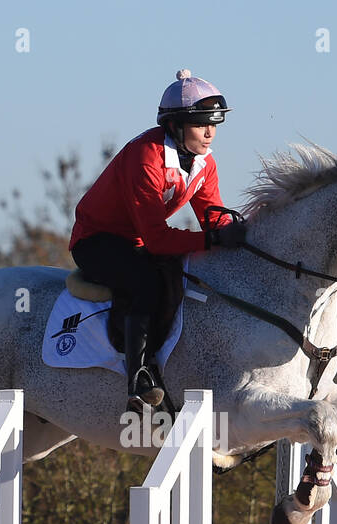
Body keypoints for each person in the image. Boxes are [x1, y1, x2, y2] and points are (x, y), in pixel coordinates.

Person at [69, 69, 249, 412]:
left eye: (214, 124)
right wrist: (213, 239)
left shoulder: (204, 163)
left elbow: (214, 218)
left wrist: (242, 236)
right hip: (97, 240)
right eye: (201, 124)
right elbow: (157, 239)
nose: (210, 133)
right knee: (147, 282)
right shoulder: (146, 156)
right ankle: (137, 378)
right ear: (176, 126)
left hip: (136, 241)